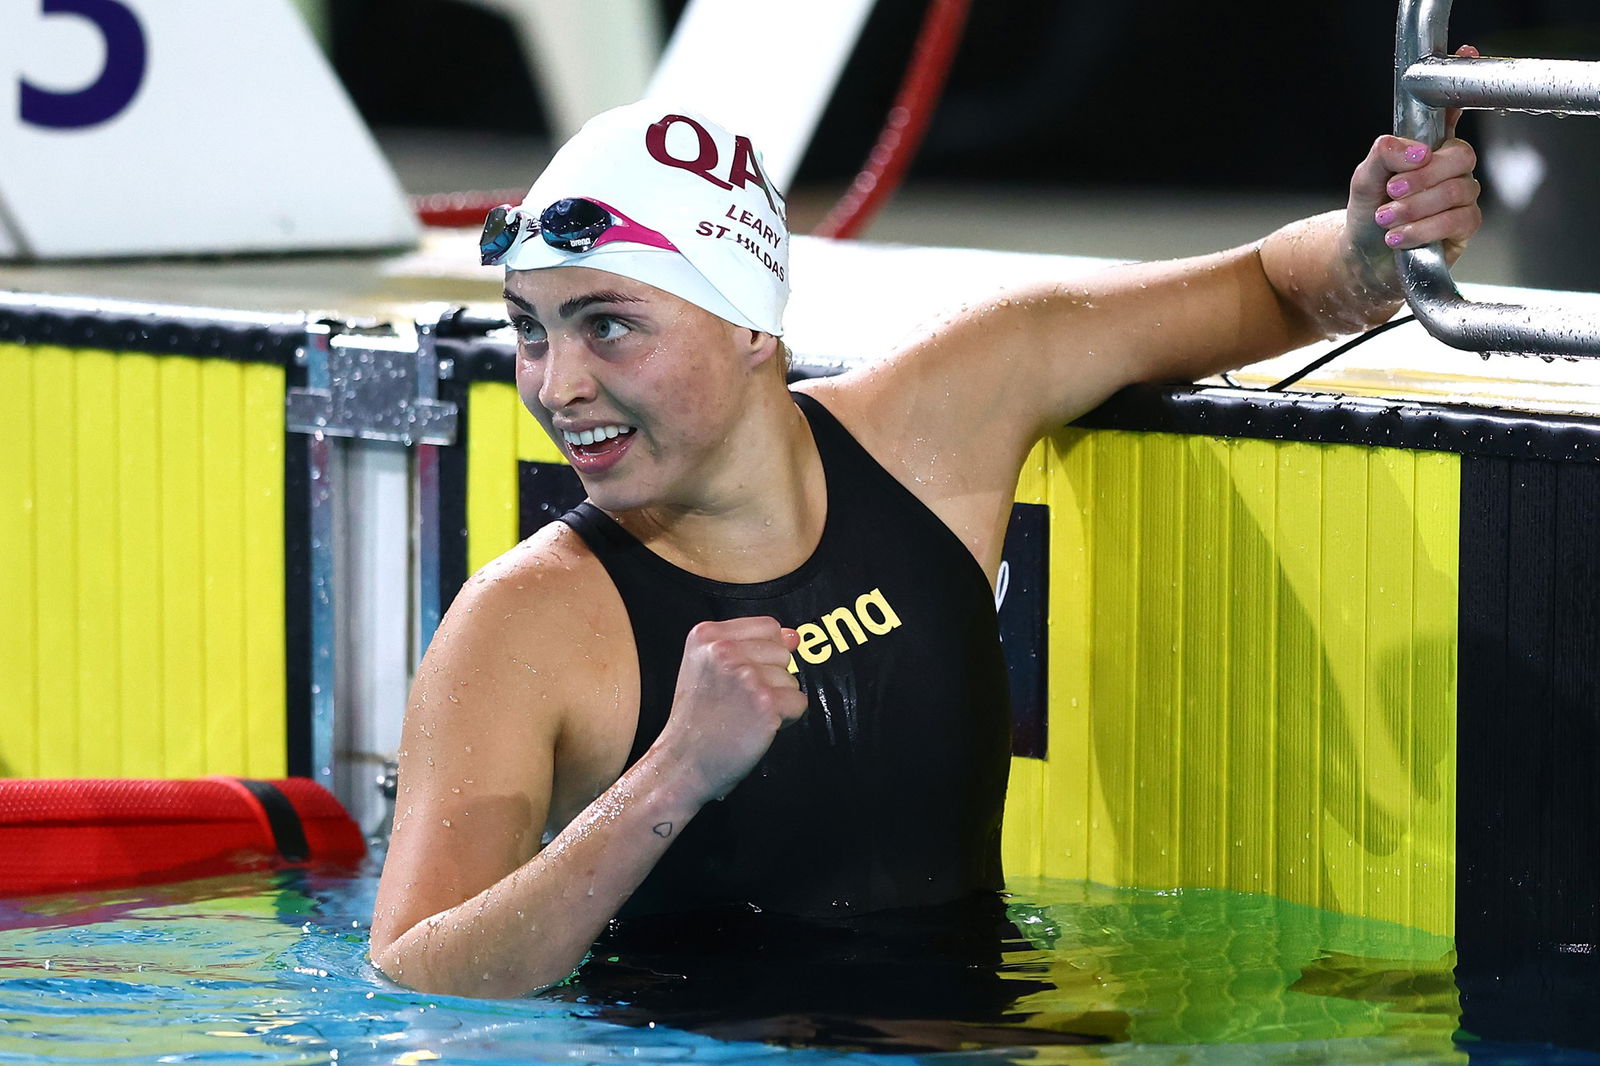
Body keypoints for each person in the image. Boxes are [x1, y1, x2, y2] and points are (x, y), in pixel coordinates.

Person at [369, 86, 1482, 1001]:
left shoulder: (942, 417)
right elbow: (418, 975)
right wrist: (671, 774)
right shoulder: (524, 623)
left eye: (605, 325)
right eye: (529, 329)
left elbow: (1265, 289)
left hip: (990, 1018)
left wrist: (1379, 242)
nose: (557, 386)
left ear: (752, 322)